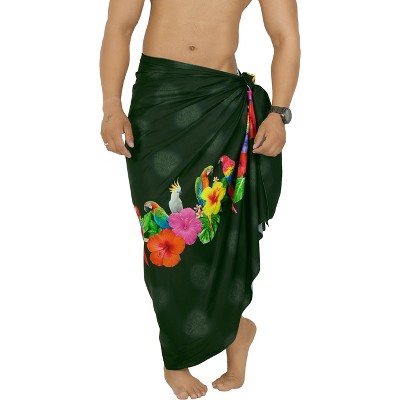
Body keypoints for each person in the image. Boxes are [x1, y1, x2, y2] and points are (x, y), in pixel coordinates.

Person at [99, 0, 300, 398]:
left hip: (220, 106)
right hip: (159, 101)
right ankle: (193, 346)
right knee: (163, 237)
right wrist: (110, 105)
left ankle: (231, 330)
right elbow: (119, 26)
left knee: (218, 231)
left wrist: (278, 112)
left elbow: (285, 36)